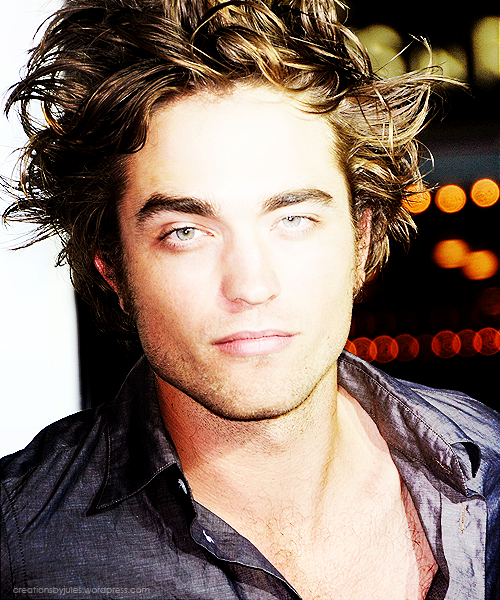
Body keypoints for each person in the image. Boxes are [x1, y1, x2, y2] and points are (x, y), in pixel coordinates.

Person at [1, 0, 499, 598]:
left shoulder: (488, 461)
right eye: (186, 233)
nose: (251, 285)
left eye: (293, 220)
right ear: (113, 268)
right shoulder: (20, 550)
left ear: (361, 240)